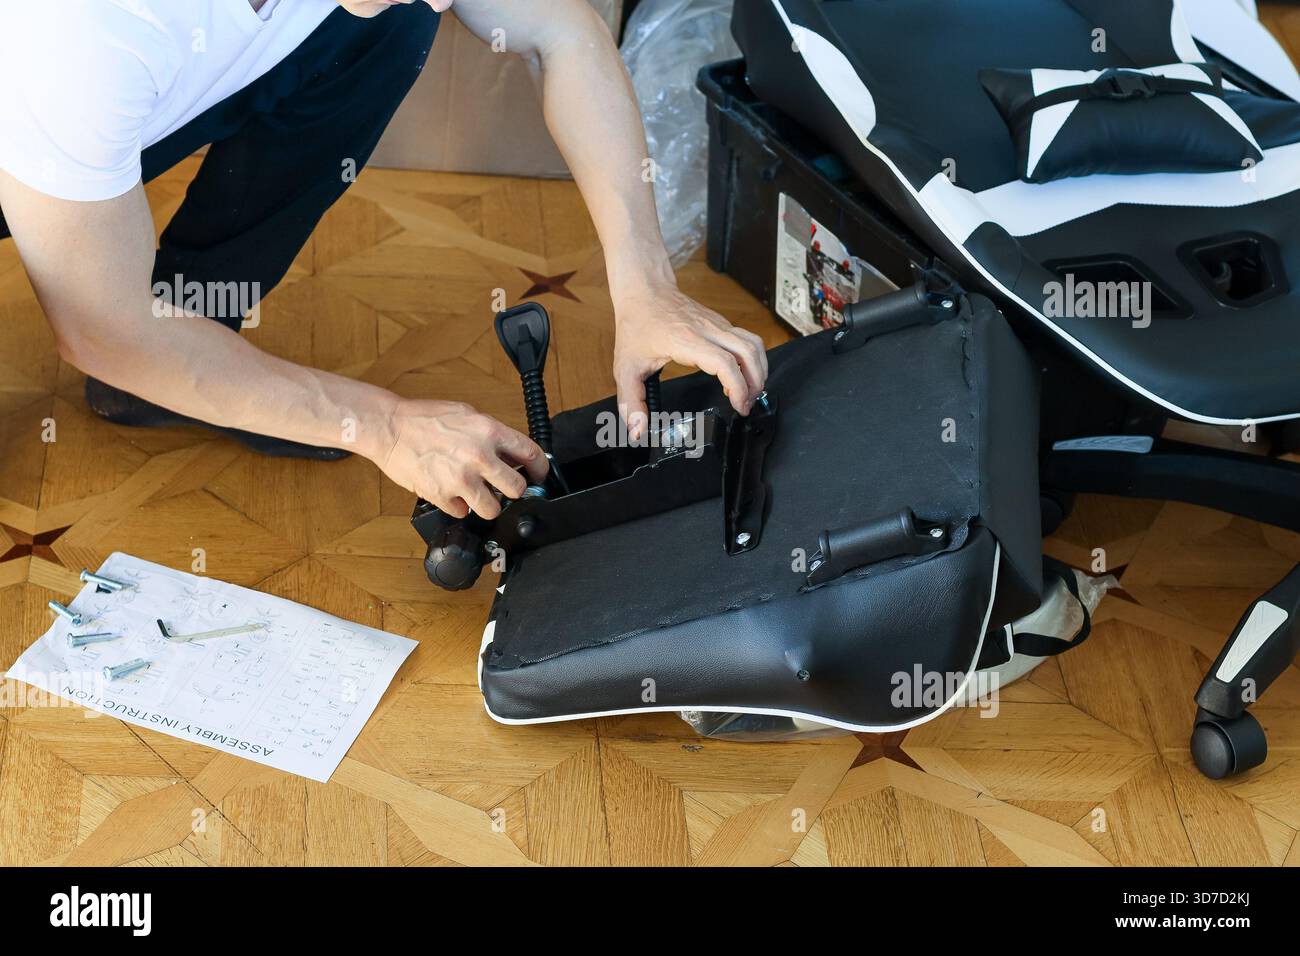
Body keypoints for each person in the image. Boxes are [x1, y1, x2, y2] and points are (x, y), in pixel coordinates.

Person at [0, 0, 768, 521]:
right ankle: (172, 363)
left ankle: (189, 360)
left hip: (112, 98)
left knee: (387, 26)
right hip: (39, 100)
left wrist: (646, 287)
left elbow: (560, 32)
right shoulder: (81, 30)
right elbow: (103, 327)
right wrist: (382, 427)